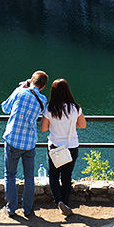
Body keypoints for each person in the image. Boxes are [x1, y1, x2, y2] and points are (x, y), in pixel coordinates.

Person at [1, 70, 48, 218]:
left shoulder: (19, 92)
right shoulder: (43, 99)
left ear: (31, 80)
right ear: (43, 86)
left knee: (10, 175)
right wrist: (31, 85)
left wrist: (24, 86)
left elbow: (5, 108)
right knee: (29, 177)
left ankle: (11, 209)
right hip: (29, 142)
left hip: (13, 139)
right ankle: (27, 209)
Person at [40, 78, 87, 216]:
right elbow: (83, 125)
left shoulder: (49, 108)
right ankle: (65, 204)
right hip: (71, 147)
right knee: (67, 177)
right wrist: (72, 125)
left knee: (54, 176)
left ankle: (59, 200)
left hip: (55, 147)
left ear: (53, 92)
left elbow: (43, 128)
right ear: (68, 91)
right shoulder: (75, 108)